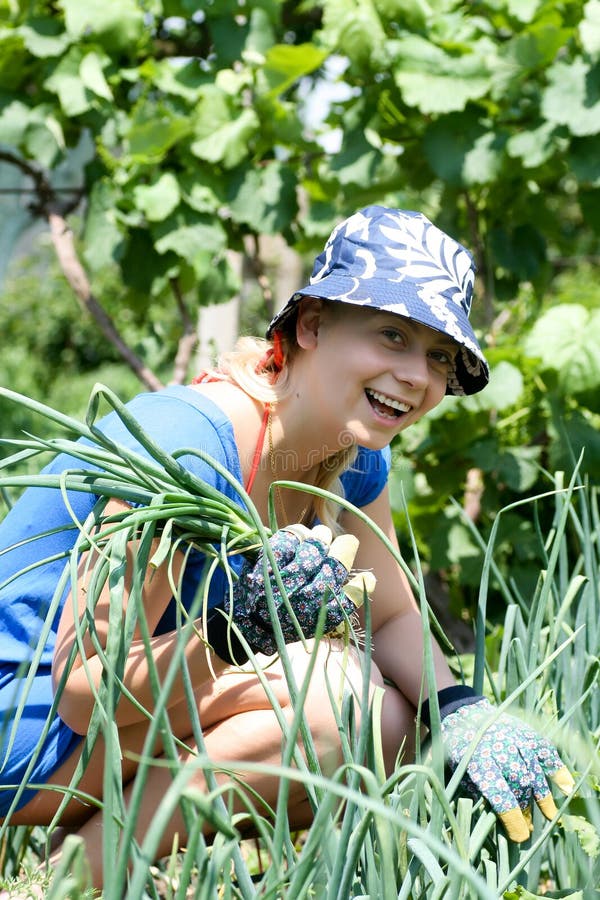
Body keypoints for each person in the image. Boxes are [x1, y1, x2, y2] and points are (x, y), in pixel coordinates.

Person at [0, 206, 573, 893]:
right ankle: (72, 879)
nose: (417, 376)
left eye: (439, 356)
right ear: (311, 326)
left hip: (123, 724)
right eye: (391, 335)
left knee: (390, 720)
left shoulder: (351, 453)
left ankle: (90, 854)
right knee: (333, 698)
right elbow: (83, 693)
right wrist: (240, 631)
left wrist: (460, 709)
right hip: (25, 722)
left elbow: (390, 618)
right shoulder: (187, 445)